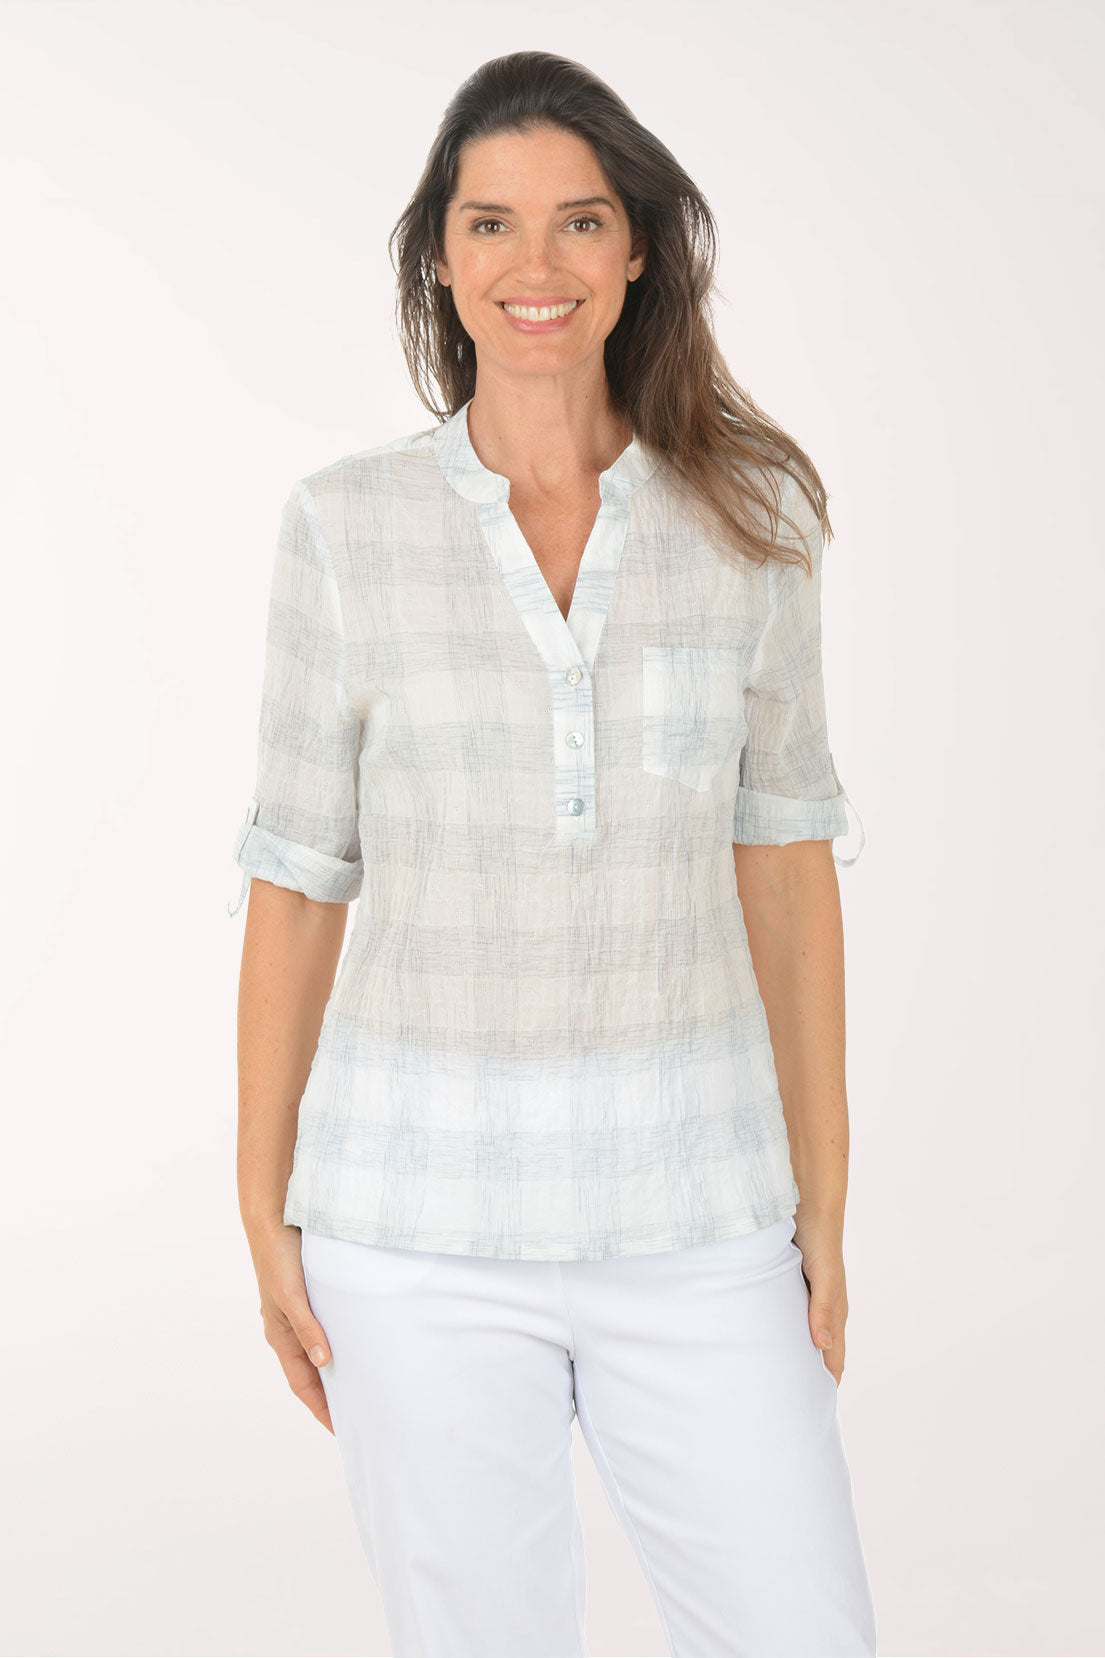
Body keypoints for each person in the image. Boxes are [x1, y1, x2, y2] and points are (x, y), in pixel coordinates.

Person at [228, 49, 877, 1658]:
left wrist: (824, 1203)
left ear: (638, 248)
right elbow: (299, 879)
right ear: (440, 258)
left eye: (579, 223)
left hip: (700, 1208)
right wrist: (263, 1210)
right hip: (412, 1223)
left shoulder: (755, 516)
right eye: (492, 224)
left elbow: (784, 870)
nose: (536, 267)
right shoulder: (342, 526)